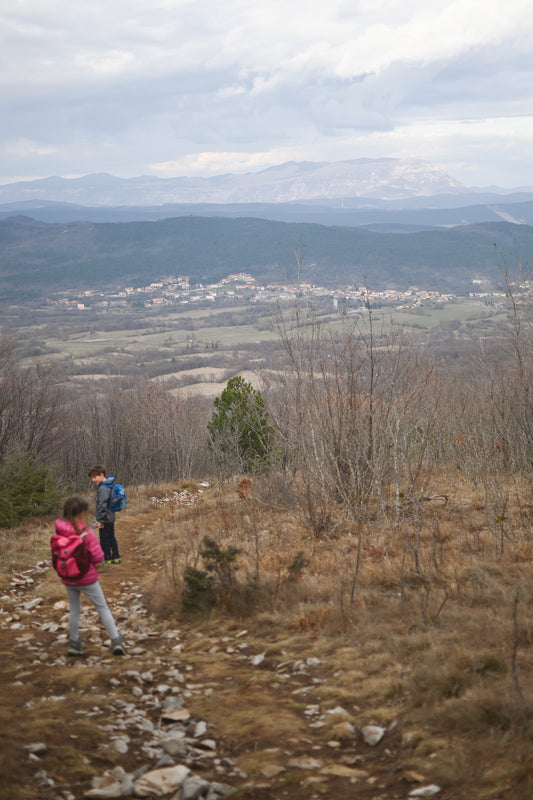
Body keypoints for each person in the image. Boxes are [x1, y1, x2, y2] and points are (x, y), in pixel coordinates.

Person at [53, 495, 124, 656]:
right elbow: (98, 557)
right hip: (87, 578)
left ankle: (75, 643)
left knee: (74, 610)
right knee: (102, 608)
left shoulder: (60, 531)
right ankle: (115, 640)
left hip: (69, 579)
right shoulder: (87, 533)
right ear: (82, 514)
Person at [88, 465, 121, 564]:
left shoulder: (103, 488)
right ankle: (116, 557)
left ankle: (107, 559)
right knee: (111, 537)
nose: (94, 480)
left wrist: (101, 520)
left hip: (105, 518)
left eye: (95, 477)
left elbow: (102, 505)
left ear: (101, 475)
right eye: (92, 478)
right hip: (111, 516)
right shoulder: (110, 485)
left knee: (104, 539)